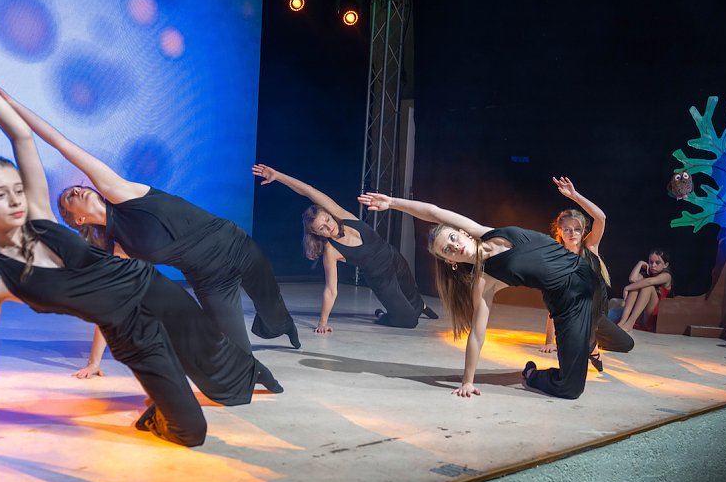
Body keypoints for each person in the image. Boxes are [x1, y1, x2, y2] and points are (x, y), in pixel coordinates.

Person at [0, 28, 281, 464]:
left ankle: (250, 371)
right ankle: (158, 414)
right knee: (191, 433)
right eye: (0, 195)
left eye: (17, 188)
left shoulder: (37, 217)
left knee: (223, 377)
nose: (16, 200)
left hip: (153, 289)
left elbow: (22, 137)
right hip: (130, 332)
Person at [0, 88, 299, 379]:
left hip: (233, 245)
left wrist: (11, 104)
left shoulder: (120, 191)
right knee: (237, 360)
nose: (79, 189)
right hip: (210, 280)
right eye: (71, 196)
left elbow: (61, 143)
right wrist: (95, 361)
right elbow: (110, 305)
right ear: (78, 219)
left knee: (271, 307)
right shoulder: (121, 246)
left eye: (79, 187)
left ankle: (281, 323)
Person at [358, 191, 605, 400]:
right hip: (569, 304)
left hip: (590, 279)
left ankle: (588, 344)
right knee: (570, 389)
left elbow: (433, 211)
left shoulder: (485, 231)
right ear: (450, 261)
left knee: (613, 339)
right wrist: (467, 381)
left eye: (453, 237)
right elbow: (477, 333)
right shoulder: (484, 281)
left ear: (463, 233)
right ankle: (532, 374)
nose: (454, 245)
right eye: (447, 250)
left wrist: (392, 203)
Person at [252, 164, 438, 332]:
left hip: (393, 256)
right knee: (408, 321)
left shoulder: (344, 216)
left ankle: (420, 306)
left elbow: (309, 191)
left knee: (411, 292)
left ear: (330, 214)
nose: (328, 227)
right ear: (317, 234)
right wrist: (322, 323)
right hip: (381, 280)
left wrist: (277, 176)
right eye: (321, 229)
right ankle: (383, 316)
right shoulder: (331, 252)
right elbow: (331, 290)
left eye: (326, 220)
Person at [540, 177, 633, 371]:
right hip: (574, 317)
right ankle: (589, 347)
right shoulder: (558, 259)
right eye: (567, 229)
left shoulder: (590, 248)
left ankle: (591, 344)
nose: (572, 233)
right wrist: (549, 341)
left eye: (577, 229)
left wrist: (575, 196)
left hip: (598, 314)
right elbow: (554, 305)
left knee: (626, 344)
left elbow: (601, 218)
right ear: (559, 231)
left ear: (583, 231)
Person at [617, 249, 673, 332]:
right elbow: (632, 279)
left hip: (654, 318)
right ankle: (623, 321)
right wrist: (640, 263)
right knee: (636, 286)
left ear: (665, 265)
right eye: (651, 262)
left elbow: (649, 282)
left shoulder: (666, 276)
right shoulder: (646, 274)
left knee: (647, 287)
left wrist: (627, 288)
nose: (653, 265)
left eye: (657, 263)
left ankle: (630, 322)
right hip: (641, 317)